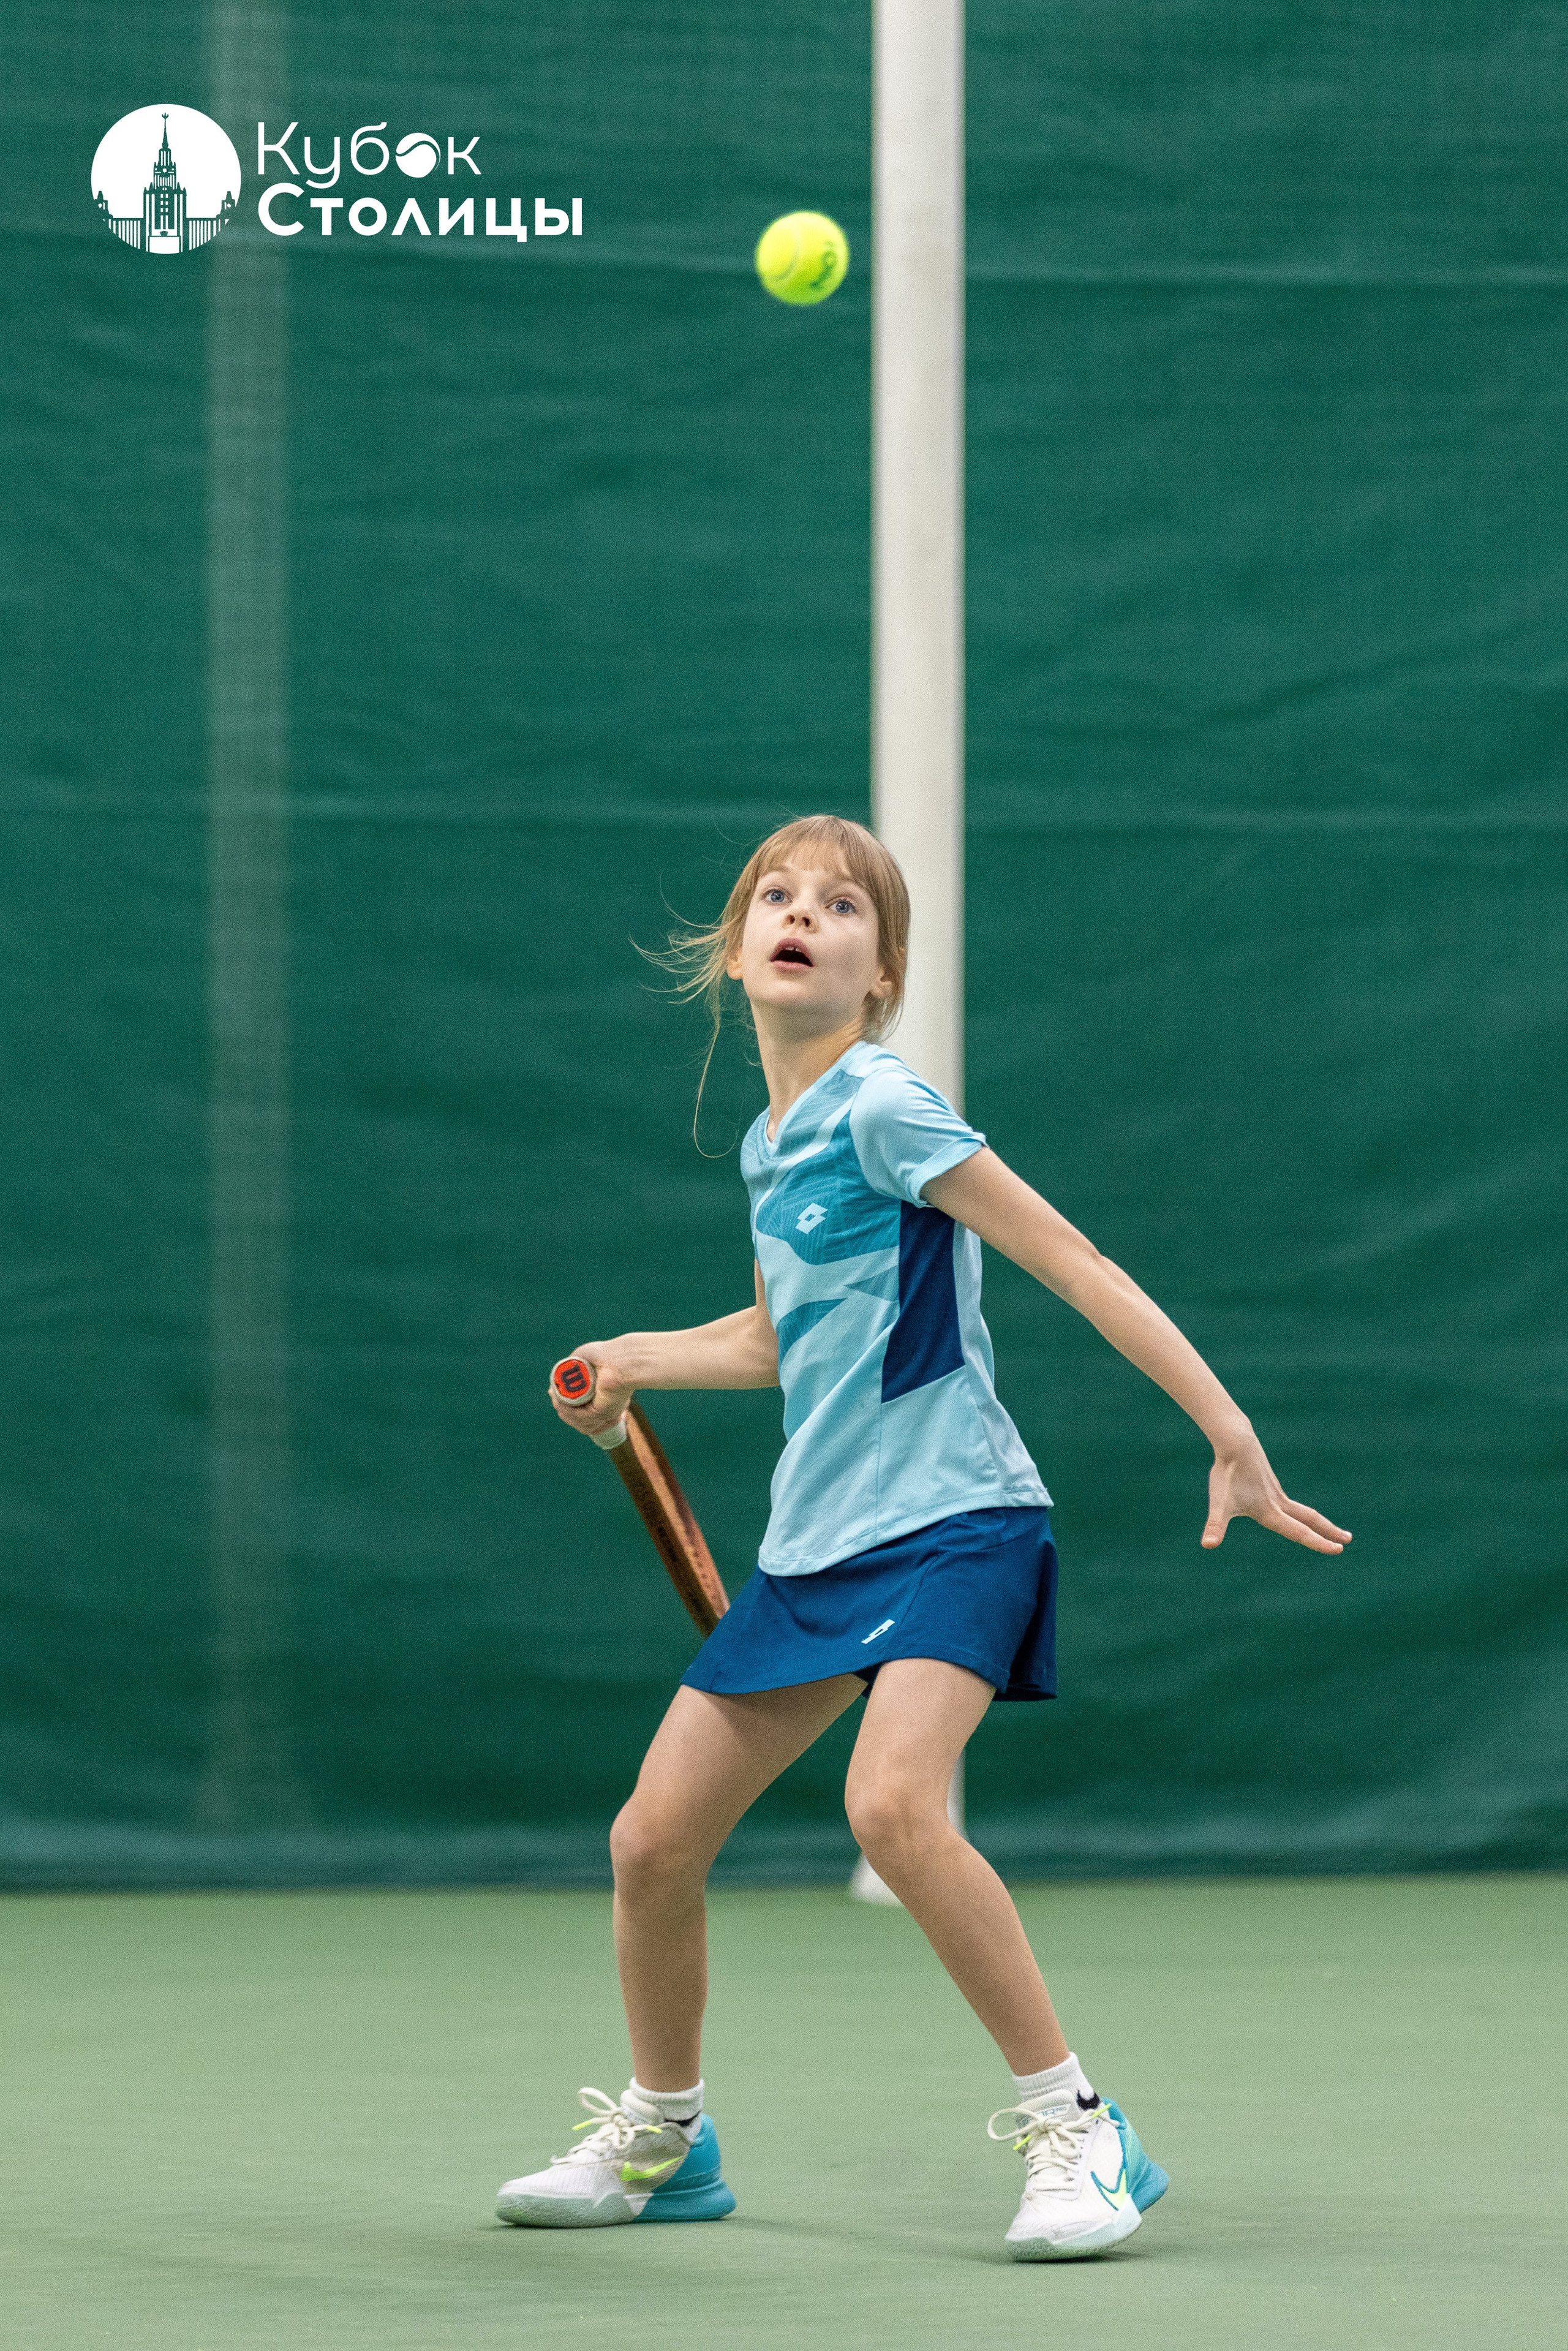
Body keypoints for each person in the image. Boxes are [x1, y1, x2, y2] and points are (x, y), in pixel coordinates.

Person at [496, 814, 1349, 2259]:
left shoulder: (888, 1106)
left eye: (839, 905)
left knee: (893, 1808)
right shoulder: (775, 1142)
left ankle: (1081, 2128)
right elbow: (783, 1337)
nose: (799, 913)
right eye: (775, 894)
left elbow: (1065, 1256)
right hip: (813, 1547)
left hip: (959, 1523)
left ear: (878, 974)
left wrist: (1229, 1432)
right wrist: (634, 1354)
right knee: (650, 1840)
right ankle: (668, 2131)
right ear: (736, 946)